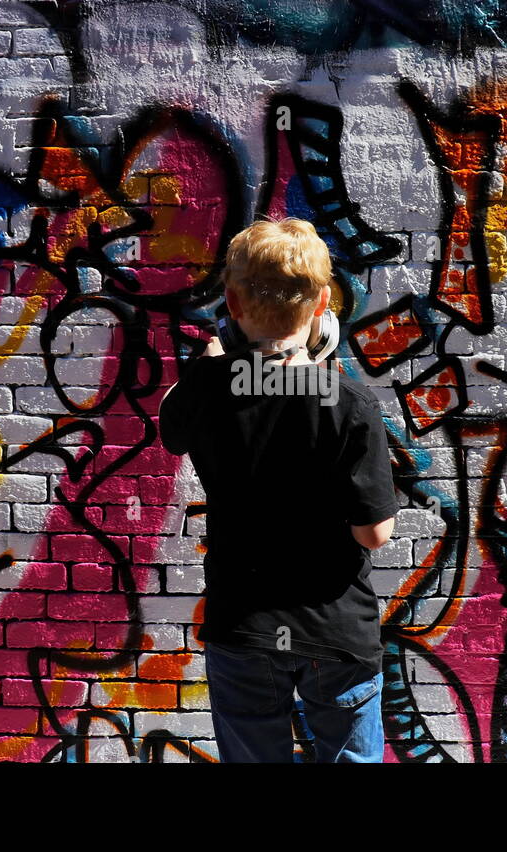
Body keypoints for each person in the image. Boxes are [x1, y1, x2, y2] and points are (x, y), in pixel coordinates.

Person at [158, 216, 398, 763]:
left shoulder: (206, 389)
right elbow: (375, 535)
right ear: (320, 308)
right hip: (335, 629)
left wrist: (215, 360)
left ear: (233, 307)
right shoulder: (350, 404)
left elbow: (173, 427)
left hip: (242, 628)